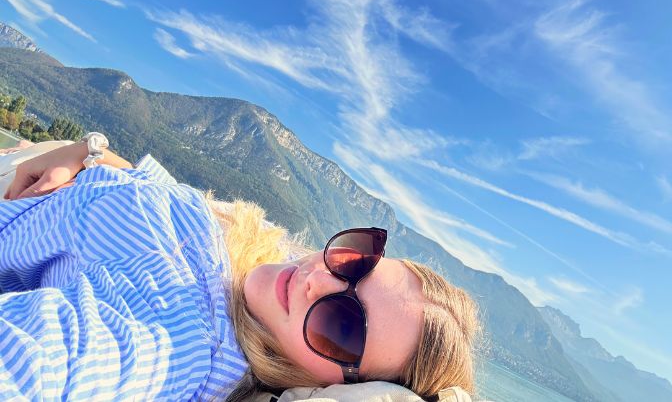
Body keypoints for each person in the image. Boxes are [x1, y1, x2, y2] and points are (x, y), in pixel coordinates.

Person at [0, 137, 479, 401]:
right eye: (354, 262)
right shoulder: (251, 267)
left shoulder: (178, 340)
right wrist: (85, 154)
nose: (318, 279)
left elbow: (32, 362)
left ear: (327, 385)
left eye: (343, 324)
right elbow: (156, 188)